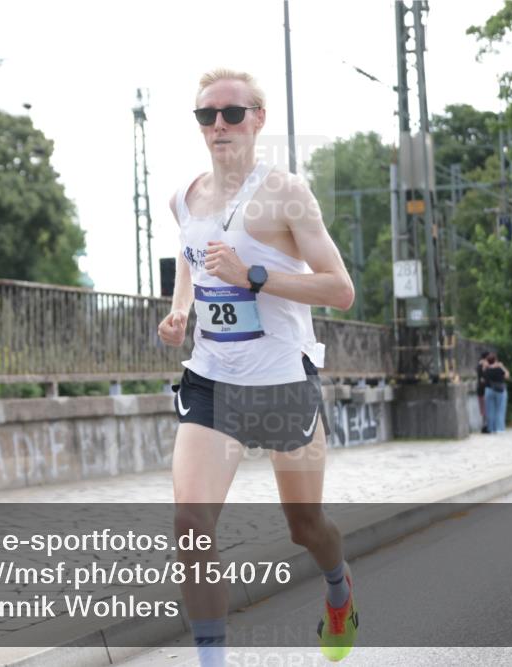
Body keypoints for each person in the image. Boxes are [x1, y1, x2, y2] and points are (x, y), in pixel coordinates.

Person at [157, 68, 358, 665]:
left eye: (232, 113)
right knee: (191, 525)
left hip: (282, 385)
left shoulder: (287, 193)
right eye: (206, 115)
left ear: (258, 120)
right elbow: (193, 254)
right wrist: (179, 311)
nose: (219, 124)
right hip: (212, 380)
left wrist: (256, 275)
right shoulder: (185, 195)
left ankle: (339, 589)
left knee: (306, 527)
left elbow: (341, 290)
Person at [482, 353, 510, 433]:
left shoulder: (487, 370)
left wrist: (485, 365)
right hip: (500, 391)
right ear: (496, 360)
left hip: (488, 390)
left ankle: (491, 428)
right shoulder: (499, 369)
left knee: (490, 411)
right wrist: (501, 366)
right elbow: (507, 375)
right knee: (500, 410)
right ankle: (500, 428)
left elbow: (483, 375)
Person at [477, 351, 490, 433]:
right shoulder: (482, 365)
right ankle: (485, 426)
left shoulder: (480, 364)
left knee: (483, 409)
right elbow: (482, 378)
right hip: (483, 390)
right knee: (484, 409)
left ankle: (485, 425)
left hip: (481, 390)